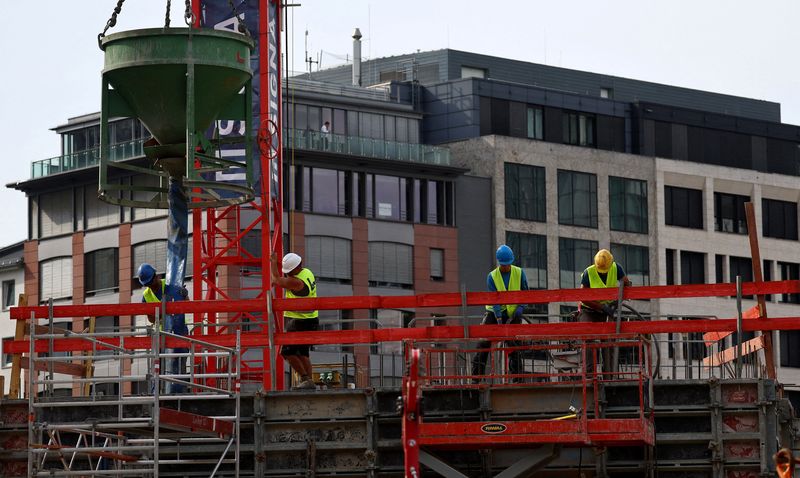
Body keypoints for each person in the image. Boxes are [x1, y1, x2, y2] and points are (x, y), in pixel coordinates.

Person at [471, 245, 529, 381]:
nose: (506, 267)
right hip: (494, 312)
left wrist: (520, 308)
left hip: (514, 312)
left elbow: (526, 293)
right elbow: (494, 299)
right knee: (483, 342)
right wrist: (498, 318)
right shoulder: (492, 276)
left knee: (514, 345)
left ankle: (517, 378)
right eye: (504, 265)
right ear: (499, 263)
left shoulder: (519, 273)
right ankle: (476, 377)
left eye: (508, 264)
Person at [138, 263, 189, 394]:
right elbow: (150, 319)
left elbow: (187, 305)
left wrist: (184, 296)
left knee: (178, 362)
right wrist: (163, 314)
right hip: (161, 334)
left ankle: (179, 391)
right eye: (148, 284)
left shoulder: (170, 285)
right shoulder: (146, 296)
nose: (151, 285)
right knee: (158, 365)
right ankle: (157, 393)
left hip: (179, 331)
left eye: (151, 282)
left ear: (156, 276)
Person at [271, 252, 319, 390]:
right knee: (303, 353)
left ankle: (305, 378)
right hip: (310, 319)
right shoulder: (307, 273)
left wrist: (273, 263)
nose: (288, 274)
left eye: (289, 271)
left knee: (287, 352)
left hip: (298, 321)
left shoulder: (296, 282)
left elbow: (276, 279)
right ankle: (309, 382)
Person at [577, 249, 632, 322]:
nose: (603, 273)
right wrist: (601, 307)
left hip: (608, 310)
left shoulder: (616, 268)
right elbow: (583, 298)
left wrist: (616, 302)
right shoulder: (588, 272)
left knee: (610, 330)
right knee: (587, 329)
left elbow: (627, 284)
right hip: (589, 310)